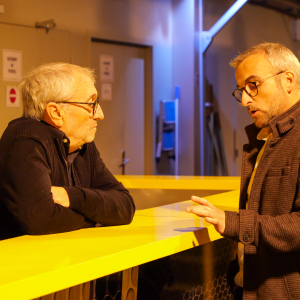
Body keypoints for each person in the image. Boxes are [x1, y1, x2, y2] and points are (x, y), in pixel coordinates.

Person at [186, 43, 300, 300]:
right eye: (241, 91)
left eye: (253, 85)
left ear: (289, 80)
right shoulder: (266, 138)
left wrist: (234, 223)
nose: (245, 100)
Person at [0, 62, 135, 240]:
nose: (100, 114)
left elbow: (125, 206)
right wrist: (95, 218)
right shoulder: (25, 139)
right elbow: (40, 219)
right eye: (91, 104)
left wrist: (71, 197)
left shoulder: (82, 145)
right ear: (56, 113)